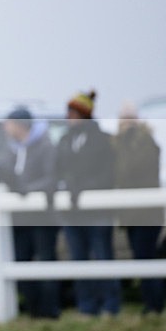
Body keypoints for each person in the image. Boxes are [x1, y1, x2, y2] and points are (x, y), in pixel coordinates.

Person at [0, 107, 60, 318]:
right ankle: (34, 309)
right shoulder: (10, 150)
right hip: (19, 219)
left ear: (19, 125)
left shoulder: (45, 147)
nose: (4, 127)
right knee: (18, 261)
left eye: (8, 123)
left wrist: (28, 191)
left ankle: (50, 311)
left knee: (46, 262)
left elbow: (51, 178)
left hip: (42, 218)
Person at [54, 90, 119, 316]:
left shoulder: (101, 140)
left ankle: (110, 305)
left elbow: (107, 174)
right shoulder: (64, 140)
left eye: (72, 112)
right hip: (72, 212)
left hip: (97, 211)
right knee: (78, 259)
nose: (68, 117)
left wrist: (84, 187)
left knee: (102, 257)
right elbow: (58, 169)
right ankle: (87, 306)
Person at [113, 102, 164, 313]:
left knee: (146, 256)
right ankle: (150, 302)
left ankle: (155, 304)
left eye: (129, 118)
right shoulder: (119, 143)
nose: (127, 123)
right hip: (130, 213)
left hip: (147, 213)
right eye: (123, 118)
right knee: (140, 257)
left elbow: (133, 170)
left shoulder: (146, 142)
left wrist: (125, 142)